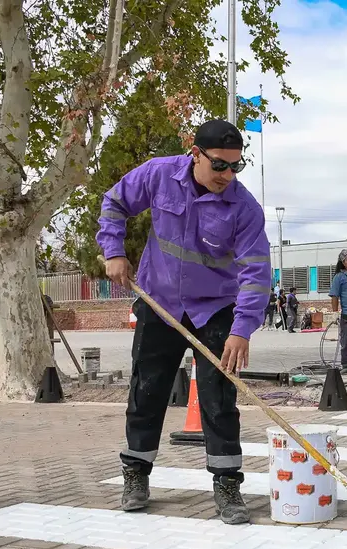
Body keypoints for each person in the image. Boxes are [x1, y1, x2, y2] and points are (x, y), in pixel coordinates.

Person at [96, 118, 270, 525]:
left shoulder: (243, 208)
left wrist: (241, 329)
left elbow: (257, 272)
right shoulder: (158, 175)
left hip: (215, 311)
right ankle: (136, 474)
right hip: (160, 305)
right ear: (195, 154)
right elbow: (114, 203)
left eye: (235, 166)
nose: (227, 175)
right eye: (219, 165)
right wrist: (113, 251)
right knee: (147, 390)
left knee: (218, 399)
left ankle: (227, 484)